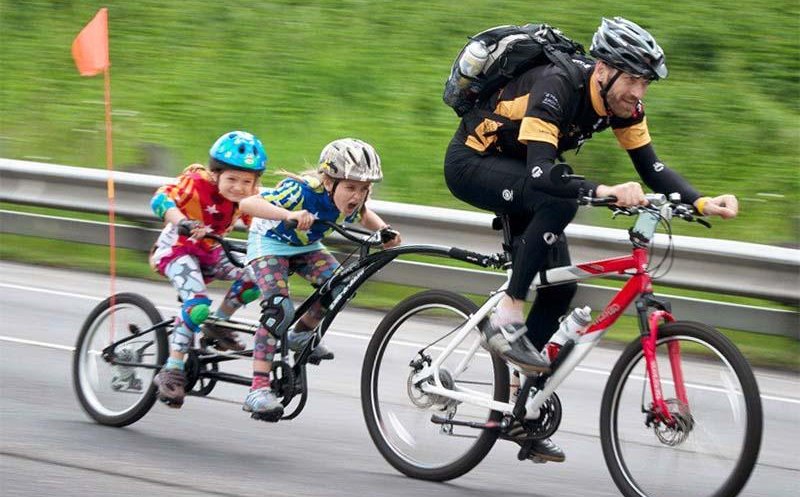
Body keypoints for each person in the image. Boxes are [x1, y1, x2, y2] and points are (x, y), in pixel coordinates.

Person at [443, 17, 739, 461]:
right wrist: (603, 191)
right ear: (603, 69)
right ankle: (507, 317)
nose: (639, 93)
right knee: (560, 201)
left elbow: (651, 169)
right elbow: (543, 174)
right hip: (473, 164)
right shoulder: (556, 85)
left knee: (561, 288)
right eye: (634, 79)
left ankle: (523, 409)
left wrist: (699, 202)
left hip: (523, 172)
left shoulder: (624, 106)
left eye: (646, 83)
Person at [238, 138, 401, 421]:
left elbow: (364, 215)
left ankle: (300, 335)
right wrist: (289, 214)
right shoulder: (301, 191)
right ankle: (258, 389)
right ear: (329, 182)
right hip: (270, 243)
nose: (357, 196)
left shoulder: (353, 202)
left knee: (342, 287)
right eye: (350, 187)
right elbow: (248, 203)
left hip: (305, 246)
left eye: (363, 189)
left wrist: (386, 232)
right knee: (278, 310)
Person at [150, 130, 267, 408]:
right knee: (197, 306)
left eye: (247, 181)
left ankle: (218, 324)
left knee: (256, 278)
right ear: (216, 175)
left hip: (211, 252)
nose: (239, 187)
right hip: (176, 250)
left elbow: (261, 225)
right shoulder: (196, 183)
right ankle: (172, 370)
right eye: (232, 179)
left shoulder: (247, 199)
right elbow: (160, 199)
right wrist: (181, 221)